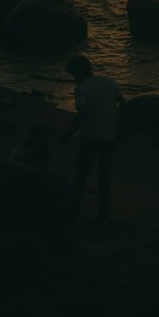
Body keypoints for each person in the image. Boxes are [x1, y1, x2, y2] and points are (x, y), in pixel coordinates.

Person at [62, 55, 124, 225]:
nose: (74, 78)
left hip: (89, 138)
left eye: (74, 75)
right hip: (109, 137)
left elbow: (82, 115)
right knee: (105, 177)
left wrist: (68, 135)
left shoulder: (82, 88)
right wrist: (119, 129)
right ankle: (102, 216)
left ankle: (74, 213)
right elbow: (122, 103)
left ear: (79, 71)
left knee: (81, 176)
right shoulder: (110, 82)